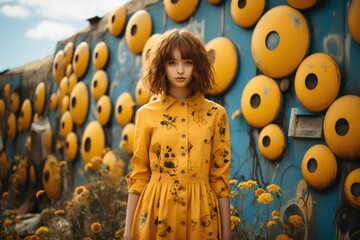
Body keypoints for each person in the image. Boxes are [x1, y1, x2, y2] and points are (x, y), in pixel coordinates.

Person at [124, 28, 231, 240]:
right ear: (162, 66)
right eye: (172, 63)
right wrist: (128, 232)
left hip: (201, 216)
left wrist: (227, 233)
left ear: (198, 65)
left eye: (188, 62)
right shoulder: (146, 114)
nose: (180, 70)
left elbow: (220, 178)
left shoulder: (215, 114)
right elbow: (139, 175)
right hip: (156, 211)